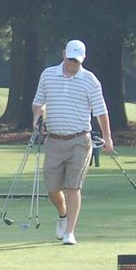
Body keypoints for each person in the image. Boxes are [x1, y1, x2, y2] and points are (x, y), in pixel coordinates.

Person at [32, 40, 115, 246]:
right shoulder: (48, 75)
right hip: (53, 139)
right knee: (52, 188)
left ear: (83, 59)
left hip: (80, 140)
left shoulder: (90, 80)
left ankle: (70, 231)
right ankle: (63, 213)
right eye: (70, 59)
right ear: (63, 55)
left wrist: (108, 137)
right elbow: (39, 103)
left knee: (73, 187)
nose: (73, 64)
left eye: (77, 61)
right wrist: (37, 118)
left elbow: (101, 112)